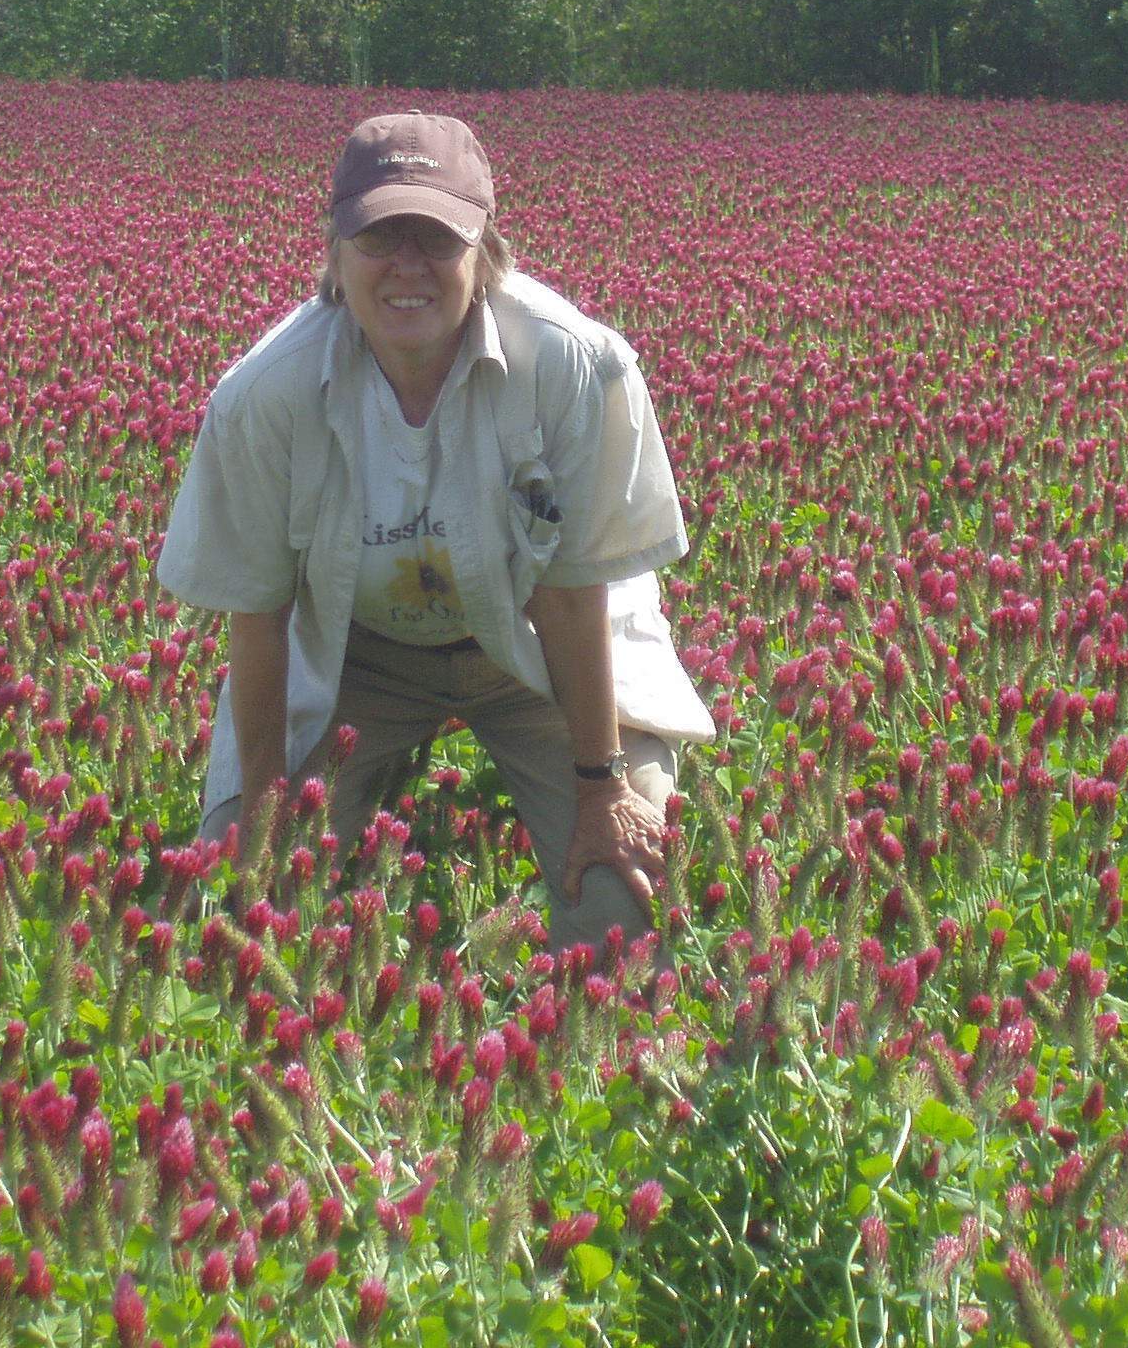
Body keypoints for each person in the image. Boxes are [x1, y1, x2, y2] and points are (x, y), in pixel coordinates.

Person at [156, 111, 711, 955]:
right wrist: (263, 818)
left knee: (623, 908)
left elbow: (572, 597)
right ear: (335, 258)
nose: (407, 267)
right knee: (250, 922)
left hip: (542, 650)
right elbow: (258, 619)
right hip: (356, 657)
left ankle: (591, 1055)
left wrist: (601, 785)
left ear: (486, 255)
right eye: (380, 238)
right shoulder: (264, 396)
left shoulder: (576, 364)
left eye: (437, 240)